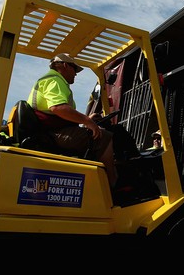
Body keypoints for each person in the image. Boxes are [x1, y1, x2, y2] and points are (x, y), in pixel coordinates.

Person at [28, 53, 118, 188]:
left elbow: (60, 115)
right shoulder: (54, 80)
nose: (76, 74)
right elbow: (58, 108)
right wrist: (87, 121)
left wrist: (86, 120)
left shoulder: (50, 80)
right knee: (103, 137)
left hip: (51, 131)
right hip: (52, 134)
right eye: (74, 69)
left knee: (96, 133)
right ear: (64, 65)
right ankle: (113, 184)